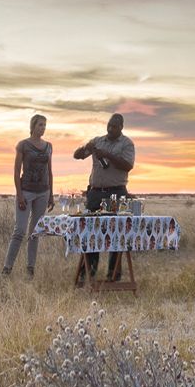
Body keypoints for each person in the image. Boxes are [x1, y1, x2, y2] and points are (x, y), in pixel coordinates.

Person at [73, 113, 135, 283]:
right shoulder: (98, 140)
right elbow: (77, 155)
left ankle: (113, 275)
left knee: (116, 232)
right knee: (91, 231)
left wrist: (107, 155)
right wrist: (86, 147)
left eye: (114, 127)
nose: (110, 129)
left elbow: (127, 166)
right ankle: (88, 272)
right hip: (95, 193)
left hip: (116, 193)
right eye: (108, 125)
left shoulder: (126, 144)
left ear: (121, 127)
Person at [3, 114, 54, 276]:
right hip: (26, 191)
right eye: (40, 125)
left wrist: (51, 194)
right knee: (19, 230)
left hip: (43, 192)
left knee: (35, 231)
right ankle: (7, 268)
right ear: (33, 126)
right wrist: (19, 195)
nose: (43, 128)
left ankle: (30, 268)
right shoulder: (23, 145)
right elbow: (17, 170)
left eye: (45, 125)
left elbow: (50, 171)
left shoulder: (48, 146)